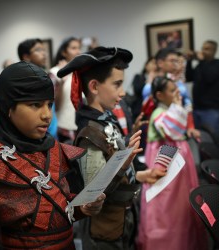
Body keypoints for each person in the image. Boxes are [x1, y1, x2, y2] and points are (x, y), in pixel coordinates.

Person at [0, 61, 105, 249]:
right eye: (35, 104)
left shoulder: (60, 150)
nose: (47, 115)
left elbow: (62, 209)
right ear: (8, 108)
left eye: (49, 104)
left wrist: (83, 207)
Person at [57, 46, 166, 250]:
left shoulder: (107, 120)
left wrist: (143, 175)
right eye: (117, 84)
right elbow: (94, 193)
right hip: (104, 231)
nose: (123, 92)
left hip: (120, 220)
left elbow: (112, 163)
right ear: (95, 87)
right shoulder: (90, 133)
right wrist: (123, 164)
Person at [136, 76, 207, 250]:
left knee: (182, 204)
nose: (177, 93)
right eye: (172, 90)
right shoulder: (158, 113)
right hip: (165, 161)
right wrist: (176, 106)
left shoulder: (169, 110)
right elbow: (173, 130)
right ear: (159, 95)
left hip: (178, 160)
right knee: (166, 204)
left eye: (177, 89)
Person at [18, 38, 58, 139]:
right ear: (26, 56)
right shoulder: (23, 81)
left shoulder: (45, 76)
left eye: (44, 50)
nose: (44, 53)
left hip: (51, 133)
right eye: (38, 50)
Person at [186, 40, 219, 138]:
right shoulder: (200, 65)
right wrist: (189, 61)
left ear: (214, 51)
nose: (203, 51)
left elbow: (209, 78)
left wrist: (202, 61)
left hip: (211, 110)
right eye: (203, 48)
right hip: (197, 109)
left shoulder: (217, 64)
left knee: (212, 139)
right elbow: (189, 77)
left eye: (207, 49)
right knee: (199, 140)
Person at [49, 37, 81, 143]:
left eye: (79, 48)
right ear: (64, 52)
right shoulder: (55, 73)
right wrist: (62, 82)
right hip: (62, 130)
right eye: (73, 48)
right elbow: (54, 106)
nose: (78, 51)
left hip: (79, 127)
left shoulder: (80, 72)